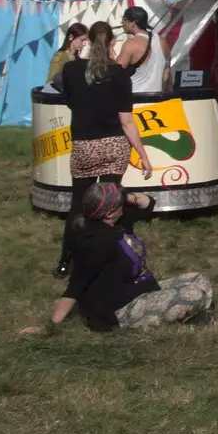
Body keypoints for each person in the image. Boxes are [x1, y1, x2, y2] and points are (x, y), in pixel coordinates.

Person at [21, 183, 212, 333]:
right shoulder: (95, 241)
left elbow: (149, 203)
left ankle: (192, 317)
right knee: (195, 295)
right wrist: (51, 326)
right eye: (120, 203)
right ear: (110, 211)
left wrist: (125, 195)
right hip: (120, 309)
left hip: (144, 290)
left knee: (200, 280)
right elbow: (75, 287)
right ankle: (193, 318)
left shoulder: (118, 221)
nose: (124, 205)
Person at [53, 20, 152, 277]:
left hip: (84, 144)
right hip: (113, 145)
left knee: (79, 205)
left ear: (88, 41)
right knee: (111, 204)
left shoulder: (71, 70)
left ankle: (66, 260)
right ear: (112, 43)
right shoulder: (119, 75)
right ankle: (111, 256)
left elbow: (71, 103)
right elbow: (126, 121)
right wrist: (143, 154)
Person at [117, 5, 170, 95]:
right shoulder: (162, 41)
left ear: (132, 22)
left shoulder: (130, 44)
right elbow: (166, 75)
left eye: (124, 20)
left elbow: (116, 73)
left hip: (135, 100)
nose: (122, 23)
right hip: (156, 99)